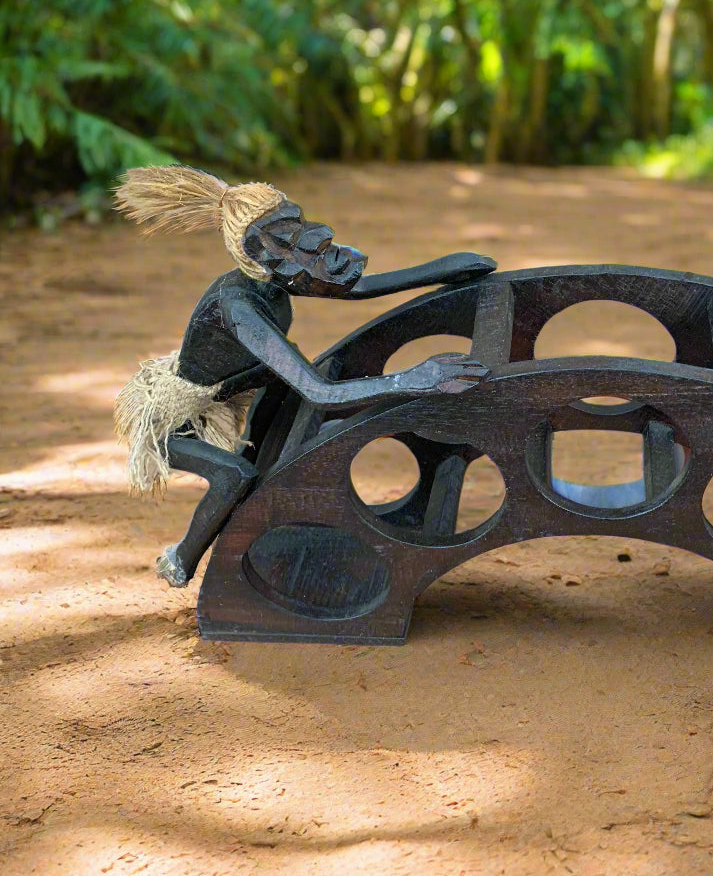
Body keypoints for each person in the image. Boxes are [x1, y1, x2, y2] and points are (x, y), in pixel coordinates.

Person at [113, 165, 496, 587]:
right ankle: (182, 560)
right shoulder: (239, 306)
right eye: (287, 241)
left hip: (231, 384)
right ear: (260, 256)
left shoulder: (274, 279)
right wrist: (414, 378)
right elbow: (323, 394)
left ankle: (259, 465)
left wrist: (443, 269)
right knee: (234, 477)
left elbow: (358, 287)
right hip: (172, 423)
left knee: (286, 373)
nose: (310, 249)